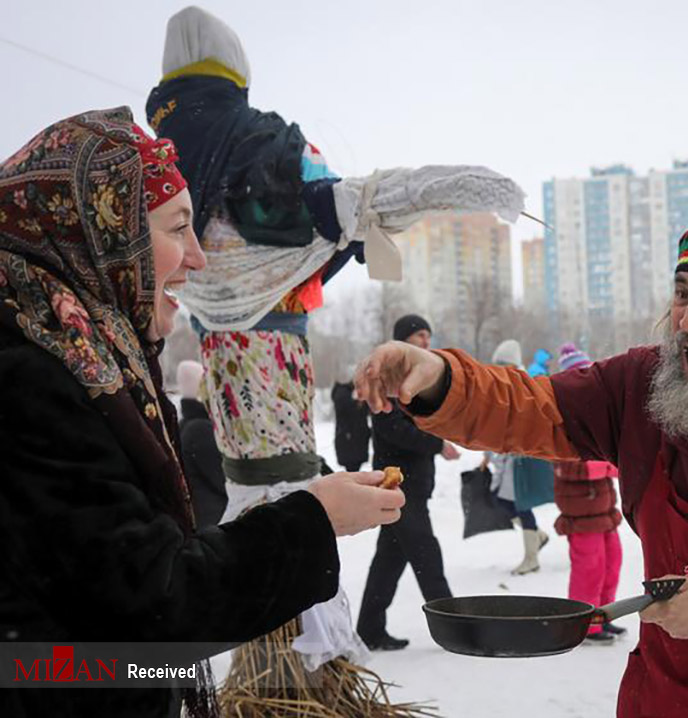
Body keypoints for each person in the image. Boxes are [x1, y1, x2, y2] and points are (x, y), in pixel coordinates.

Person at [356, 221, 688, 718]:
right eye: (683, 293)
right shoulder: (644, 385)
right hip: (664, 697)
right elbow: (531, 406)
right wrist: (440, 379)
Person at [145, 6, 523, 701]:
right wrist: (433, 190)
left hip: (231, 360)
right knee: (282, 495)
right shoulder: (254, 140)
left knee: (261, 495)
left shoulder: (160, 160)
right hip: (274, 354)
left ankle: (282, 676)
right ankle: (297, 679)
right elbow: (335, 205)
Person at [0, 109, 404, 718]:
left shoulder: (82, 357)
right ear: (103, 234)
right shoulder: (34, 380)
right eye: (175, 228)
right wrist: (314, 520)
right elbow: (155, 606)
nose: (197, 258)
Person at [355, 315, 460, 651]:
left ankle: (369, 629)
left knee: (389, 561)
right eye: (419, 335)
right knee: (427, 555)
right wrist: (437, 442)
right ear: (402, 340)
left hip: (412, 487)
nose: (426, 342)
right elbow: (393, 430)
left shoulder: (414, 383)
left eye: (429, 335)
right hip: (400, 488)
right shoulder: (386, 381)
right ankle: (454, 628)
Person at [553, 343, 624, 644]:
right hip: (582, 514)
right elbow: (566, 467)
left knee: (612, 562)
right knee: (589, 569)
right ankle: (584, 622)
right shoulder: (560, 420)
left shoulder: (598, 417)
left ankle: (603, 615)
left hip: (604, 511)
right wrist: (606, 467)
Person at [481, 338, 550, 575]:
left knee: (519, 505)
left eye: (501, 363)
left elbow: (527, 421)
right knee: (504, 502)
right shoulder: (500, 384)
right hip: (505, 457)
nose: (497, 368)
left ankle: (531, 557)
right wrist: (488, 455)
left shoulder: (522, 386)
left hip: (519, 458)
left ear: (511, 364)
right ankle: (536, 536)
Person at [176, 359, 228, 526]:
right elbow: (221, 479)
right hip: (212, 519)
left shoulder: (182, 425)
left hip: (196, 516)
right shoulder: (201, 429)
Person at [332, 373, 371, 472]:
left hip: (351, 441)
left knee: (353, 470)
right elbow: (353, 412)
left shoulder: (343, 393)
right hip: (351, 442)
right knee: (353, 470)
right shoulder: (343, 394)